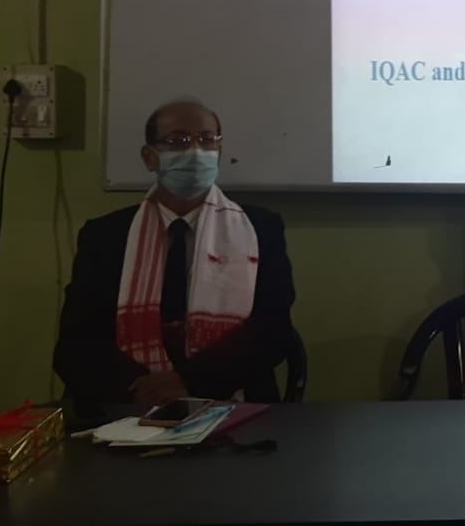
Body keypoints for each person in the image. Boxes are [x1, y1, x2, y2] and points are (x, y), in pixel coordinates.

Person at [54, 98, 295, 414]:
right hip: (128, 406)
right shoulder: (106, 235)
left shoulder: (260, 229)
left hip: (231, 401)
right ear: (149, 157)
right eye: (178, 140)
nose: (195, 151)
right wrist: (142, 388)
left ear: (219, 150)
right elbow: (78, 340)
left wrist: (189, 382)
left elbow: (273, 330)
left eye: (207, 139)